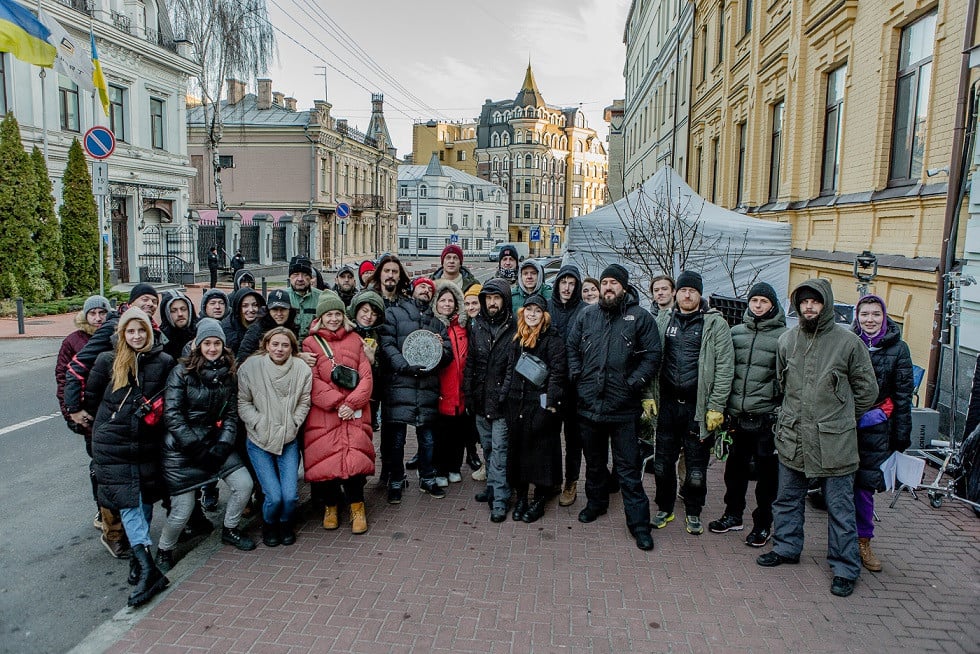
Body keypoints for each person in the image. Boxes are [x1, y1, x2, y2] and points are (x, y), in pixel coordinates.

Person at [757, 279, 878, 599]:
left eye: (815, 301)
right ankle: (786, 547)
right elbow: (782, 382)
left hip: (834, 441)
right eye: (804, 302)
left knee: (840, 508)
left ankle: (845, 567)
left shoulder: (848, 343)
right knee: (786, 498)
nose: (809, 307)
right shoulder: (787, 340)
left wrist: (842, 417)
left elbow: (867, 391)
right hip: (793, 435)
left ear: (826, 304)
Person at [84, 307, 174, 607]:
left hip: (147, 444)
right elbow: (92, 399)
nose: (136, 336)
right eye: (130, 331)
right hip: (113, 445)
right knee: (130, 504)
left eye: (141, 331)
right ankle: (148, 568)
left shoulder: (163, 362)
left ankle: (140, 558)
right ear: (122, 334)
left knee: (143, 500)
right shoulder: (107, 361)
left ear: (149, 332)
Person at [567, 264, 660, 551]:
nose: (608, 287)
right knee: (594, 463)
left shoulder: (640, 318)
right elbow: (572, 348)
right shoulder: (587, 315)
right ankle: (596, 504)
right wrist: (578, 377)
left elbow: (652, 355)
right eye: (605, 282)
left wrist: (633, 384)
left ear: (624, 287)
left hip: (623, 409)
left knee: (628, 469)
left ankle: (639, 524)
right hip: (589, 406)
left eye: (613, 283)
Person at [156, 319, 255, 571]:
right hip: (181, 449)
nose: (212, 348)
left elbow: (231, 415)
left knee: (244, 484)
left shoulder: (228, 373)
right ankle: (164, 549)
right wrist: (195, 447)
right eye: (207, 343)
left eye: (217, 343)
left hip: (215, 441)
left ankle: (230, 528)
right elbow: (173, 416)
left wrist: (224, 445)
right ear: (198, 344)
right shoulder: (181, 372)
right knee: (182, 510)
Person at [650, 270, 734, 536]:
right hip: (667, 405)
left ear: (700, 294)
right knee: (662, 464)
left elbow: (725, 367)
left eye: (692, 291)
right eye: (683, 290)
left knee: (696, 469)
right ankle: (664, 508)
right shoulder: (665, 319)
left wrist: (716, 406)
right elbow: (652, 358)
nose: (687, 295)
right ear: (676, 293)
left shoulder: (715, 324)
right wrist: (648, 396)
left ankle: (693, 511)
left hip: (697, 408)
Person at [707, 282, 786, 547]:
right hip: (738, 417)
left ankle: (763, 525)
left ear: (773, 305)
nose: (758, 306)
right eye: (754, 301)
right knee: (734, 472)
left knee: (767, 478)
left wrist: (778, 408)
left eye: (764, 301)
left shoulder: (784, 337)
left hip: (766, 418)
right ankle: (733, 515)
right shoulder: (736, 333)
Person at [377, 264, 452, 503]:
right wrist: (404, 365)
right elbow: (386, 344)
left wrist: (439, 350)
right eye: (422, 287)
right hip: (400, 385)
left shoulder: (437, 323)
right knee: (397, 441)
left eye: (430, 290)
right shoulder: (394, 314)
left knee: (428, 440)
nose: (426, 291)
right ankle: (396, 480)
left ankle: (427, 478)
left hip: (427, 388)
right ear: (412, 289)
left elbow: (448, 353)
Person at [303, 294, 376, 534]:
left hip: (354, 411)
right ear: (321, 318)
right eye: (329, 315)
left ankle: (357, 508)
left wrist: (352, 403)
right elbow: (312, 381)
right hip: (325, 413)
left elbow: (366, 376)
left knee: (354, 461)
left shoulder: (356, 339)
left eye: (337, 314)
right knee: (327, 464)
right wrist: (337, 403)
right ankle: (331, 508)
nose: (333, 319)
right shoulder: (310, 344)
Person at [851, 294, 913, 572]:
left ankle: (863, 541)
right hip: (845, 425)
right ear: (857, 316)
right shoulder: (849, 341)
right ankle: (841, 542)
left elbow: (903, 394)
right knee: (839, 487)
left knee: (865, 487)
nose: (870, 320)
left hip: (877, 426)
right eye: (864, 314)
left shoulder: (899, 349)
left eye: (876, 314)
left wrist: (901, 434)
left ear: (884, 317)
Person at [56, 295, 121, 554]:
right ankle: (104, 513)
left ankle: (113, 514)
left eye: (102, 313)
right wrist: (71, 413)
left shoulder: (113, 336)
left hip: (114, 412)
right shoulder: (73, 342)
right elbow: (64, 380)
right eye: (92, 313)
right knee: (99, 467)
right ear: (85, 316)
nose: (97, 318)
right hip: (89, 415)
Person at [238, 326, 312, 547]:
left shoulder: (301, 369)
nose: (280, 349)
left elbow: (304, 401)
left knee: (290, 496)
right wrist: (259, 422)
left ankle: (285, 523)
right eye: (275, 344)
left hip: (288, 439)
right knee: (273, 495)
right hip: (259, 439)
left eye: (285, 345)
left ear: (292, 348)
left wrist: (294, 422)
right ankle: (269, 524)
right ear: (267, 345)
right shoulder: (250, 367)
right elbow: (243, 402)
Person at [501, 294, 566, 523]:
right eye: (529, 310)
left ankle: (540, 498)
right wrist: (504, 398)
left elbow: (558, 375)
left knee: (540, 454)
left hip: (539, 405)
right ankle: (521, 497)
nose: (532, 314)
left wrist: (550, 406)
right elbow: (510, 369)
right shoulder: (517, 338)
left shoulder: (553, 340)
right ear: (523, 312)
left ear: (544, 315)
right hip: (516, 403)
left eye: (537, 311)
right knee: (518, 452)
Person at [464, 279, 518, 522]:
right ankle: (492, 487)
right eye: (488, 298)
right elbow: (471, 363)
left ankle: (500, 497)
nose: (492, 303)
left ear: (504, 300)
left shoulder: (514, 327)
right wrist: (469, 394)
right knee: (487, 447)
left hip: (502, 402)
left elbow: (513, 368)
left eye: (497, 298)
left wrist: (504, 396)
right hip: (480, 400)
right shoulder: (479, 326)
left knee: (500, 451)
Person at [547, 265, 585, 507]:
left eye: (572, 283)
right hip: (550, 384)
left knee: (573, 439)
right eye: (564, 282)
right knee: (549, 435)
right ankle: (551, 479)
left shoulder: (585, 311)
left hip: (574, 386)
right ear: (557, 284)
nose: (567, 288)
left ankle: (571, 482)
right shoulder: (547, 308)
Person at [431, 280, 470, 485]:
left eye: (450, 301)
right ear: (436, 303)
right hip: (441, 389)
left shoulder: (463, 327)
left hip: (461, 390)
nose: (447, 304)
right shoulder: (433, 326)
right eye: (442, 300)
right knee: (441, 434)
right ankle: (440, 469)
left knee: (459, 432)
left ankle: (455, 467)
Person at [348, 289, 387, 432]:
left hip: (369, 394)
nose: (368, 316)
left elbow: (383, 368)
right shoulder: (345, 329)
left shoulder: (379, 335)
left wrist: (372, 361)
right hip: (346, 391)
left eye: (374, 314)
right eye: (365, 311)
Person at [237, 289, 300, 363]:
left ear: (289, 310)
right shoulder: (256, 329)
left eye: (283, 309)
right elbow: (242, 357)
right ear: (268, 310)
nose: (279, 314)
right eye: (275, 309)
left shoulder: (293, 328)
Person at [461, 284, 485, 478]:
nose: (471, 307)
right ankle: (471, 453)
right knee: (468, 420)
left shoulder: (485, 324)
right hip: (467, 376)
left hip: (482, 379)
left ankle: (483, 460)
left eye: (474, 303)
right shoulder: (465, 324)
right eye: (467, 303)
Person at [286, 256, 322, 339]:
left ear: (311, 277)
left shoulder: (321, 297)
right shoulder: (281, 297)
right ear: (290, 277)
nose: (300, 279)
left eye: (305, 274)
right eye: (296, 274)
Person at [221, 288, 265, 356]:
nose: (251, 310)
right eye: (245, 306)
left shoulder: (265, 324)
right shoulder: (227, 328)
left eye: (255, 305)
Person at [159, 291, 198, 361]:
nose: (180, 314)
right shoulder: (160, 339)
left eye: (183, 309)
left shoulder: (199, 332)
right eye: (173, 311)